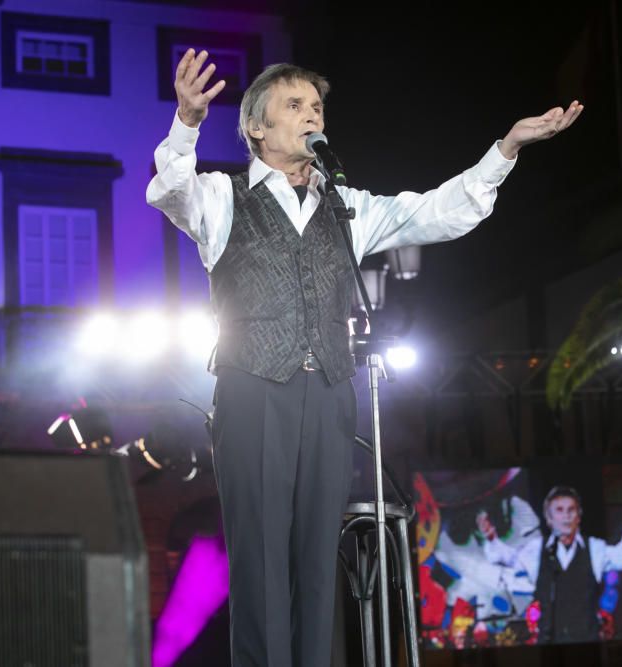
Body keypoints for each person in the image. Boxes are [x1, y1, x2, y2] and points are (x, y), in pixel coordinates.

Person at [145, 48, 583, 667]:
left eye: (316, 106)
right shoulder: (223, 197)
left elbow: (435, 212)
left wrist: (504, 150)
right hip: (252, 389)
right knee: (262, 556)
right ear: (256, 129)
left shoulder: (348, 207)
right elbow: (169, 191)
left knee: (319, 560)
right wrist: (186, 120)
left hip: (329, 391)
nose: (309, 115)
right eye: (293, 106)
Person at [478, 485, 622, 644]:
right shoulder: (537, 549)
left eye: (571, 510)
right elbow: (511, 558)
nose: (566, 516)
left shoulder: (594, 548)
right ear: (549, 519)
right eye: (559, 510)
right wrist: (492, 539)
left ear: (578, 517)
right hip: (549, 643)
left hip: (586, 641)